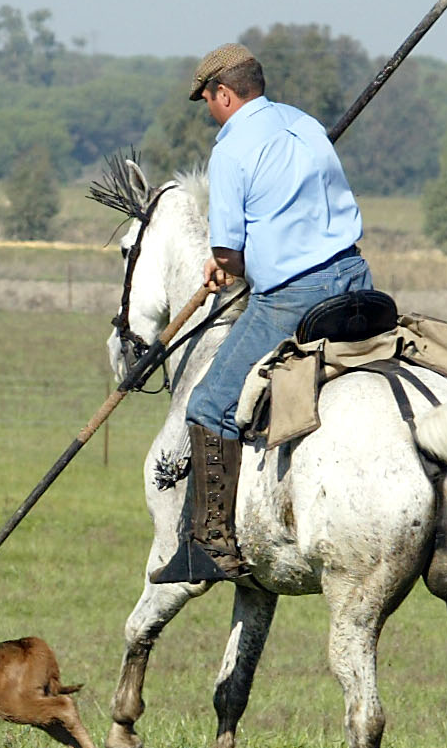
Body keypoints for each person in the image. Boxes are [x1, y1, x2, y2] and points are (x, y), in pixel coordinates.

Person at [150, 42, 373, 585]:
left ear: (224, 94)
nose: (209, 111)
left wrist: (225, 263)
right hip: (355, 279)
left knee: (208, 405)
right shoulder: (306, 125)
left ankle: (209, 545)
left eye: (208, 100)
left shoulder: (231, 151)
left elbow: (228, 253)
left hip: (294, 297)